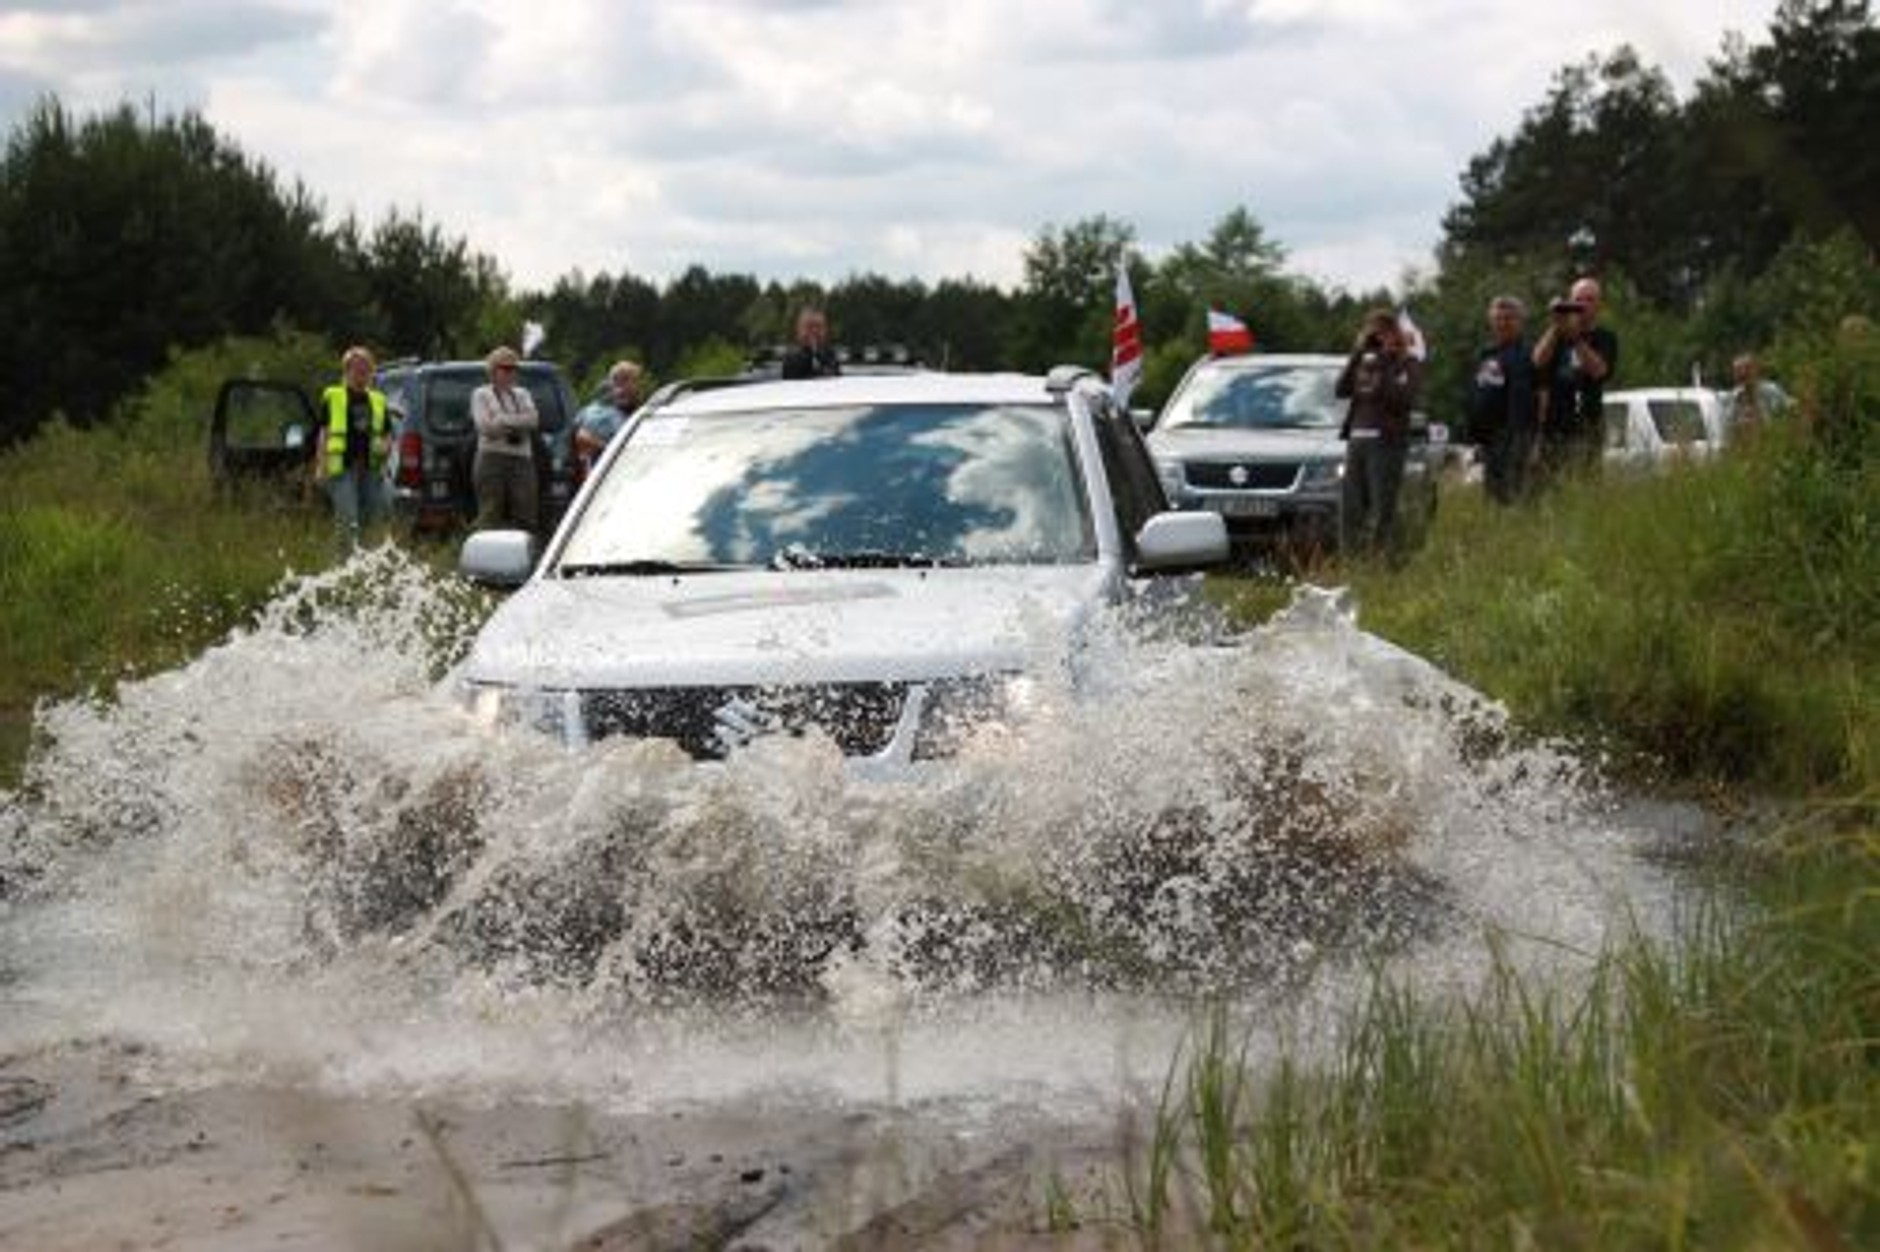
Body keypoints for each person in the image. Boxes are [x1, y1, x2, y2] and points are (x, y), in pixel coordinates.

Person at [1335, 308, 1423, 560]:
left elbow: (1403, 399)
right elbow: (1341, 390)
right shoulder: (1364, 361)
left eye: (1383, 332)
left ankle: (1385, 559)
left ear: (1395, 333)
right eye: (1372, 331)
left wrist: (1386, 360)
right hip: (1357, 438)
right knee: (1351, 507)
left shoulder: (1408, 364)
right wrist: (1357, 354)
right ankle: (1353, 559)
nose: (1377, 337)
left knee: (1383, 505)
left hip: (1387, 442)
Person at [1531, 275, 1619, 481]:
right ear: (1570, 301)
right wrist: (1556, 326)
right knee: (1550, 485)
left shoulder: (1605, 338)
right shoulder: (1555, 337)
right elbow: (1537, 361)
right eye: (1579, 299)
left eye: (1590, 300)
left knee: (1585, 483)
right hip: (1554, 426)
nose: (1583, 305)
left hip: (1588, 424)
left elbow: (1599, 371)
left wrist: (1576, 339)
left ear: (1599, 305)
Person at [312, 345, 392, 547]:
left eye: (367, 370)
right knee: (349, 520)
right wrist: (321, 466)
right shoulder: (334, 396)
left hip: (371, 467)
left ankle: (364, 567)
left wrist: (386, 447)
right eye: (358, 369)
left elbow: (387, 433)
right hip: (341, 467)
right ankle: (342, 568)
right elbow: (324, 432)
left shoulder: (379, 400)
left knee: (372, 520)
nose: (362, 374)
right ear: (347, 370)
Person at [1469, 296, 1538, 504]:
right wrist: (1476, 435)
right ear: (1491, 321)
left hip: (1515, 435)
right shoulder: (1485, 354)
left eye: (1509, 318)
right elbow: (1478, 394)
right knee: (1491, 497)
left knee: (1514, 495)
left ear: (1520, 321)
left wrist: (1533, 439)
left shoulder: (1529, 354)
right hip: (1488, 437)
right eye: (1498, 318)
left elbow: (1539, 395)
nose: (1503, 323)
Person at [470, 345, 540, 531]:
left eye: (514, 369)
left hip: (522, 458)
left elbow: (533, 421)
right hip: (491, 458)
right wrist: (517, 423)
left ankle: (524, 555)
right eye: (506, 368)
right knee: (489, 512)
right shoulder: (481, 394)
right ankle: (486, 556)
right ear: (493, 370)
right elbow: (485, 427)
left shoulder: (523, 393)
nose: (511, 373)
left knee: (526, 511)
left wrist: (502, 420)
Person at [574, 359, 643, 470]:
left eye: (636, 381)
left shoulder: (637, 409)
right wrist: (610, 450)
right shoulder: (598, 413)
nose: (636, 386)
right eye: (633, 380)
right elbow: (581, 437)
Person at [1723, 352, 1788, 436]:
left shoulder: (1772, 392)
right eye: (1738, 370)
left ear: (1756, 370)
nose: (1743, 373)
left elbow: (1787, 413)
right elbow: (1728, 427)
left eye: (1747, 368)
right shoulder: (1733, 398)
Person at [780, 306, 841, 379]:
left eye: (819, 327)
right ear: (798, 330)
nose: (814, 331)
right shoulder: (791, 357)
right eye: (809, 327)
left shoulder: (830, 355)